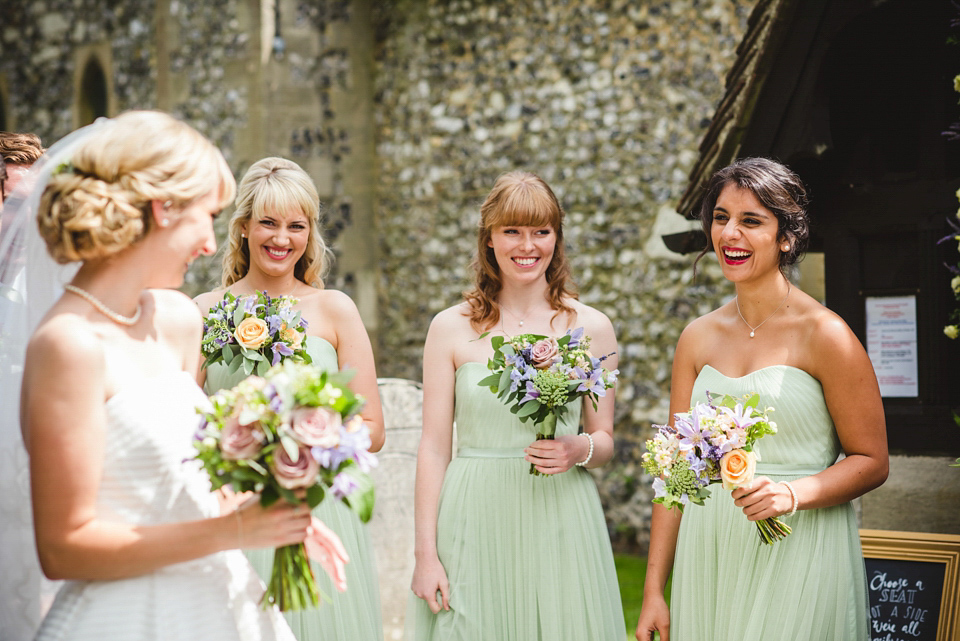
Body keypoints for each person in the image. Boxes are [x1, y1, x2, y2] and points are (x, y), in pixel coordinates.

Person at [10, 111, 320, 641]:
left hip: (225, 605)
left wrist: (274, 512)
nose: (208, 244)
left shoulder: (177, 320)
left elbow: (194, 487)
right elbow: (62, 548)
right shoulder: (67, 345)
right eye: (208, 216)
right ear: (164, 209)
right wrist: (234, 531)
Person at [635, 157, 888, 641]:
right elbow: (677, 474)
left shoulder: (826, 334)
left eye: (752, 221)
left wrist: (793, 494)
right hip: (709, 552)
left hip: (800, 546)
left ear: (786, 237)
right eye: (721, 217)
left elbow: (872, 460)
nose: (731, 233)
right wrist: (654, 589)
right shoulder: (696, 338)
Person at [406, 170, 626, 640]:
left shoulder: (591, 327)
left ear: (556, 239)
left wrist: (577, 449)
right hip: (473, 514)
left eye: (540, 232)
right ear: (489, 240)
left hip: (560, 512)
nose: (527, 246)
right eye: (512, 231)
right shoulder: (449, 327)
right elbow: (433, 447)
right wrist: (426, 554)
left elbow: (605, 440)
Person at [194, 156, 386, 641]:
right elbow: (184, 423)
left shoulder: (335, 310)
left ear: (309, 234)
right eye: (268, 223)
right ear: (242, 228)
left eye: (295, 226)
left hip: (318, 507)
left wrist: (302, 444)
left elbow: (374, 430)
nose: (282, 239)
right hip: (234, 508)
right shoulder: (202, 312)